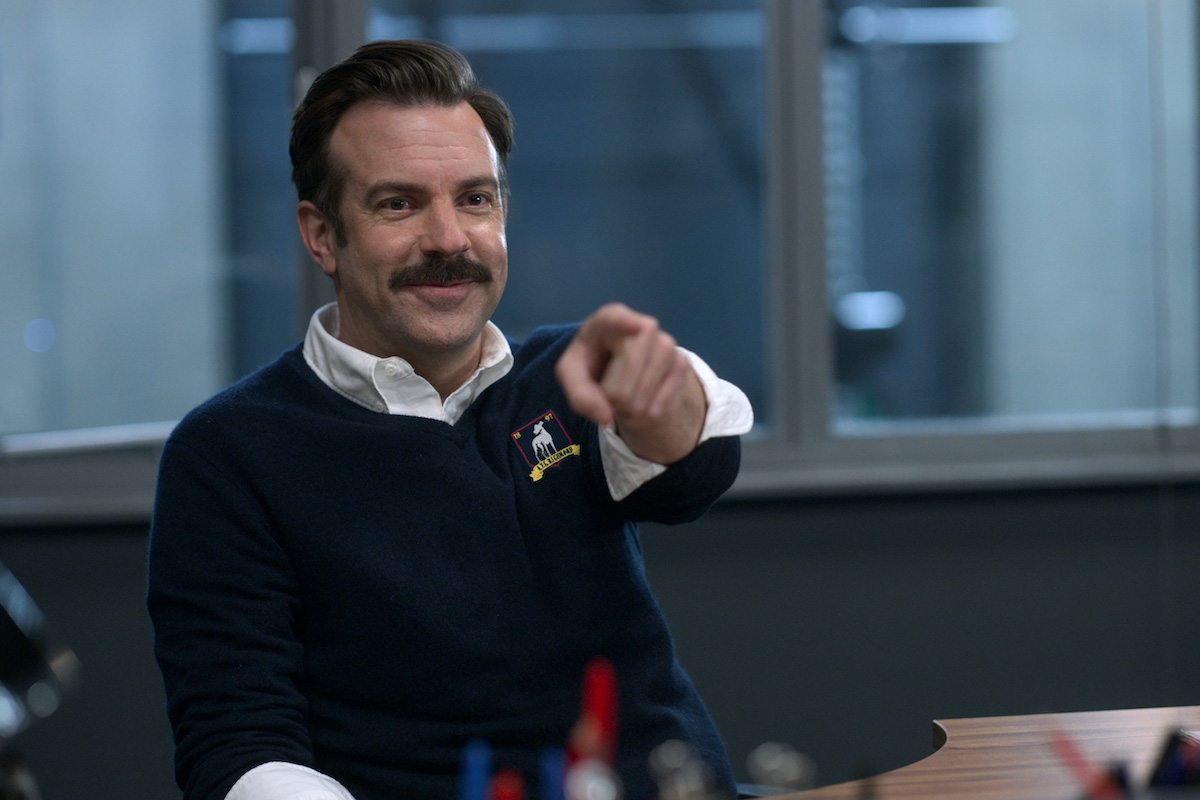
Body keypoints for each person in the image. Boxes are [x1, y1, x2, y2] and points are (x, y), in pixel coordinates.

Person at [147, 39, 753, 800]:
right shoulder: (230, 452)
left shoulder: (569, 378)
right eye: (399, 204)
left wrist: (660, 396)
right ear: (322, 235)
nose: (448, 239)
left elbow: (694, 470)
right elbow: (240, 747)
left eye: (475, 199)